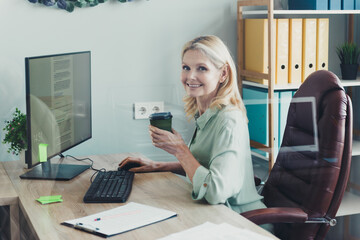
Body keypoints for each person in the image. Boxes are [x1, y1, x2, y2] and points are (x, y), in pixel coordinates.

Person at [119, 35, 267, 214]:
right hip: (212, 213)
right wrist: (156, 166)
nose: (190, 76)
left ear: (223, 74)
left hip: (238, 220)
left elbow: (216, 192)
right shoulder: (207, 113)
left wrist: (180, 149)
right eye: (186, 67)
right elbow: (203, 167)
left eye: (202, 68)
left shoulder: (228, 120)